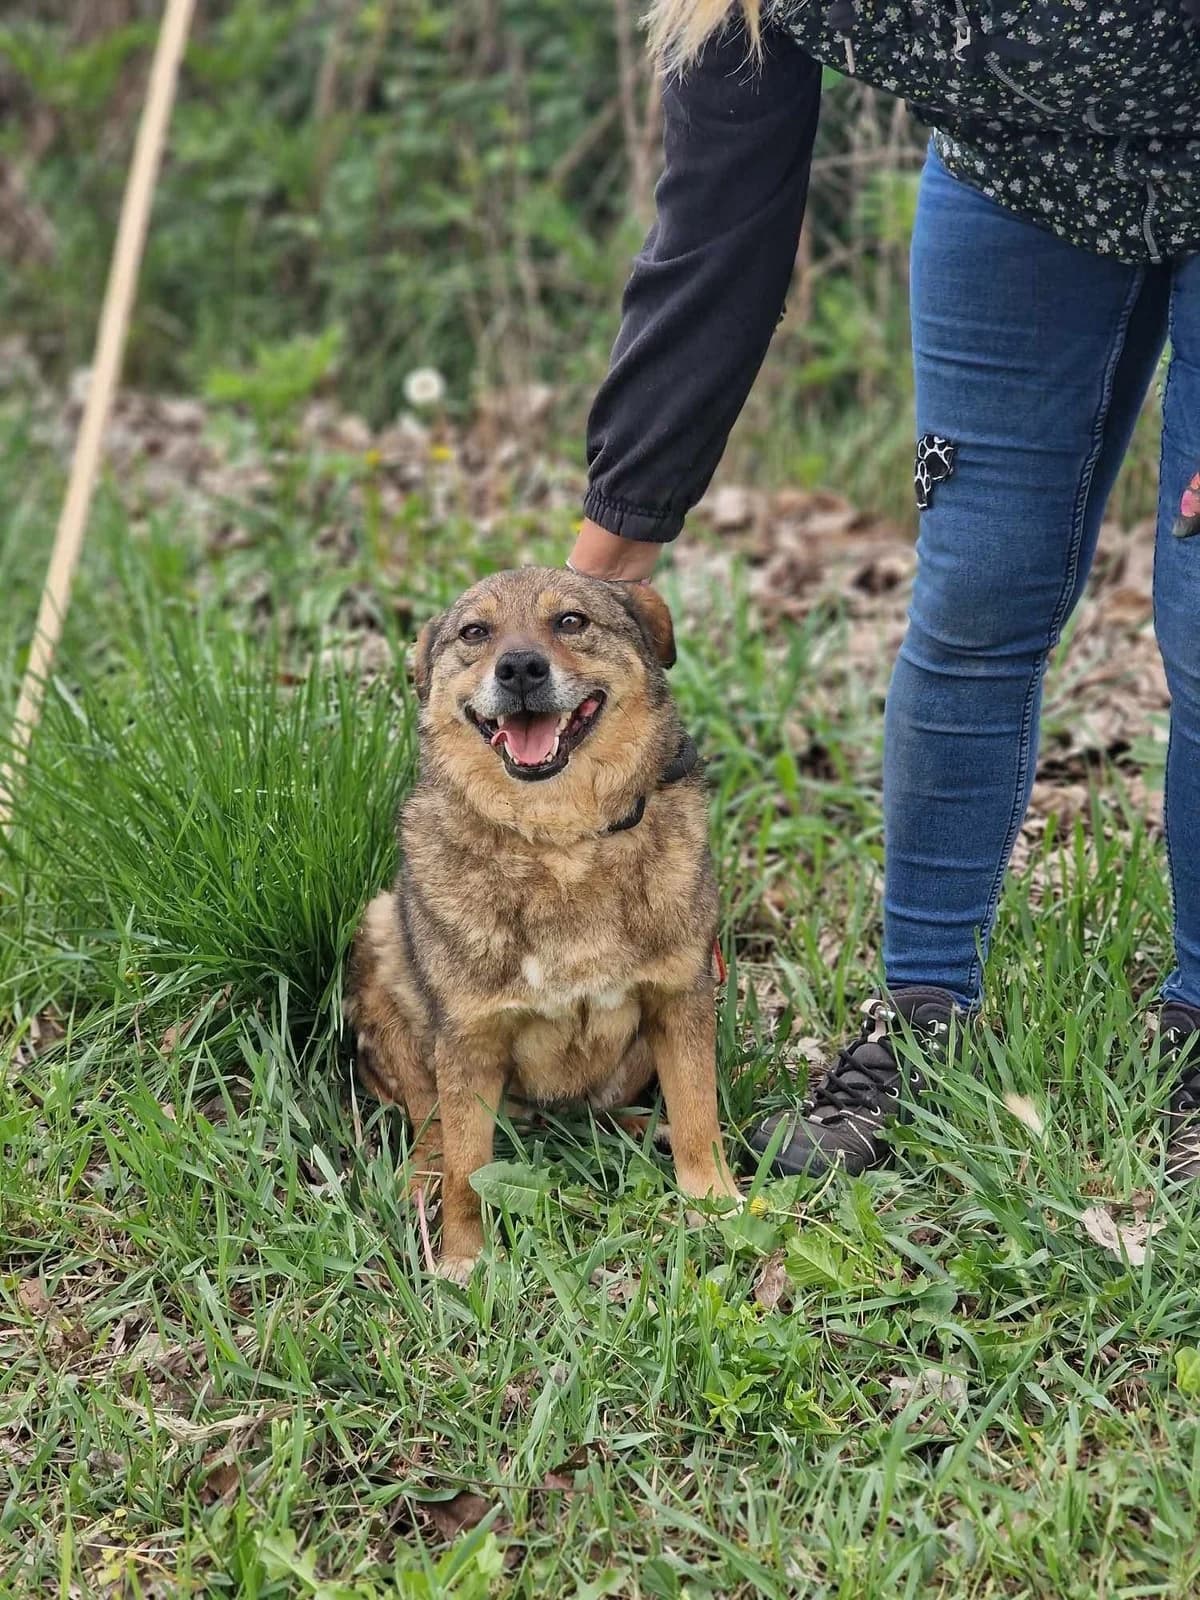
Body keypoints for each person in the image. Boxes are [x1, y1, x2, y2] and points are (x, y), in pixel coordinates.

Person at [565, 0, 1200, 1183]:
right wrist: (595, 576)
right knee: (974, 595)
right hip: (1022, 184)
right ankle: (923, 1020)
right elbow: (719, 231)